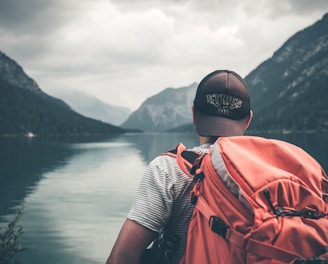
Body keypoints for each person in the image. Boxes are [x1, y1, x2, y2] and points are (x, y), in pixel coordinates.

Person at [106, 69, 253, 264]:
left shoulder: (167, 169)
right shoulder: (272, 174)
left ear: (194, 114)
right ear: (248, 120)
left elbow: (121, 259)